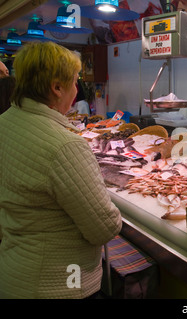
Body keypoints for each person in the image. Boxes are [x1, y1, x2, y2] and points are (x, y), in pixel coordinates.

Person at [0, 42, 122, 299]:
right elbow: (104, 228)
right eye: (75, 82)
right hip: (59, 285)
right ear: (57, 87)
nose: (76, 91)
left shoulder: (5, 122)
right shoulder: (64, 145)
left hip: (14, 272)